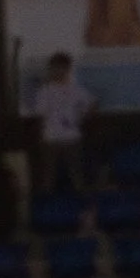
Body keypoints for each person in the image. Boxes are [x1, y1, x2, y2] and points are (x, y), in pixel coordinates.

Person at [32, 52, 92, 188]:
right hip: (50, 138)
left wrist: (81, 119)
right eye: (55, 68)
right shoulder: (44, 91)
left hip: (72, 138)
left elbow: (91, 104)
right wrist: (41, 136)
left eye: (62, 67)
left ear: (68, 69)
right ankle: (48, 201)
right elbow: (40, 115)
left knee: (77, 176)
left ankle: (81, 199)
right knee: (48, 177)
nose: (58, 71)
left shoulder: (76, 89)